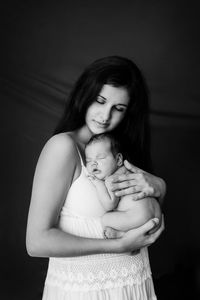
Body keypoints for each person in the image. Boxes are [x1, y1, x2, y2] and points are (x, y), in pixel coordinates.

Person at [26, 56, 166, 300]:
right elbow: (36, 242)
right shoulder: (63, 147)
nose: (105, 115)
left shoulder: (120, 152)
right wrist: (118, 246)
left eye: (118, 109)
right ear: (85, 94)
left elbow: (140, 216)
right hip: (87, 291)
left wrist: (160, 188)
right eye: (100, 100)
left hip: (134, 283)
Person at [85, 132, 161, 239]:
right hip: (157, 215)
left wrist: (98, 183)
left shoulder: (112, 180)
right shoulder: (127, 171)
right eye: (88, 161)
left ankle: (122, 235)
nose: (94, 163)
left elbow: (109, 204)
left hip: (138, 217)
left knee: (105, 219)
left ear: (119, 160)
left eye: (100, 158)